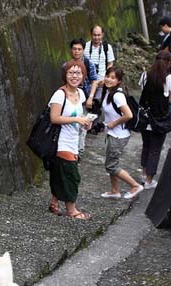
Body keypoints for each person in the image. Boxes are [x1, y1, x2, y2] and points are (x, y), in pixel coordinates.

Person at [48, 60, 93, 220]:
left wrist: (85, 123)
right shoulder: (59, 94)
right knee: (71, 176)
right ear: (65, 75)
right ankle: (72, 210)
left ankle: (54, 203)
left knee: (60, 174)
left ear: (83, 75)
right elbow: (54, 118)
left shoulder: (81, 94)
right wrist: (76, 121)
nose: (74, 76)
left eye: (78, 73)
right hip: (60, 141)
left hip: (74, 139)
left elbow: (78, 116)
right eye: (71, 73)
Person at [92, 67, 143, 200]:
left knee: (111, 165)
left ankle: (135, 185)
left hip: (119, 135)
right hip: (112, 133)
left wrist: (113, 124)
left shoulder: (117, 95)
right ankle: (114, 190)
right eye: (107, 76)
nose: (109, 79)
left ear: (118, 81)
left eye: (113, 78)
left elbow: (129, 115)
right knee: (112, 162)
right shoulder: (109, 91)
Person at [139, 51, 171, 190]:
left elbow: (143, 95)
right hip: (159, 121)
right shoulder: (169, 79)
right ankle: (149, 181)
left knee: (146, 146)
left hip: (145, 119)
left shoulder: (145, 76)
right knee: (155, 150)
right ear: (169, 62)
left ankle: (144, 174)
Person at [63, 38, 100, 155]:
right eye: (74, 49)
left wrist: (91, 97)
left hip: (84, 100)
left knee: (83, 125)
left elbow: (95, 81)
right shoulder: (66, 66)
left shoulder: (89, 64)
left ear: (83, 50)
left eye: (79, 49)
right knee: (72, 124)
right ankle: (73, 149)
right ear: (71, 50)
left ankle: (79, 151)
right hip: (71, 99)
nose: (77, 51)